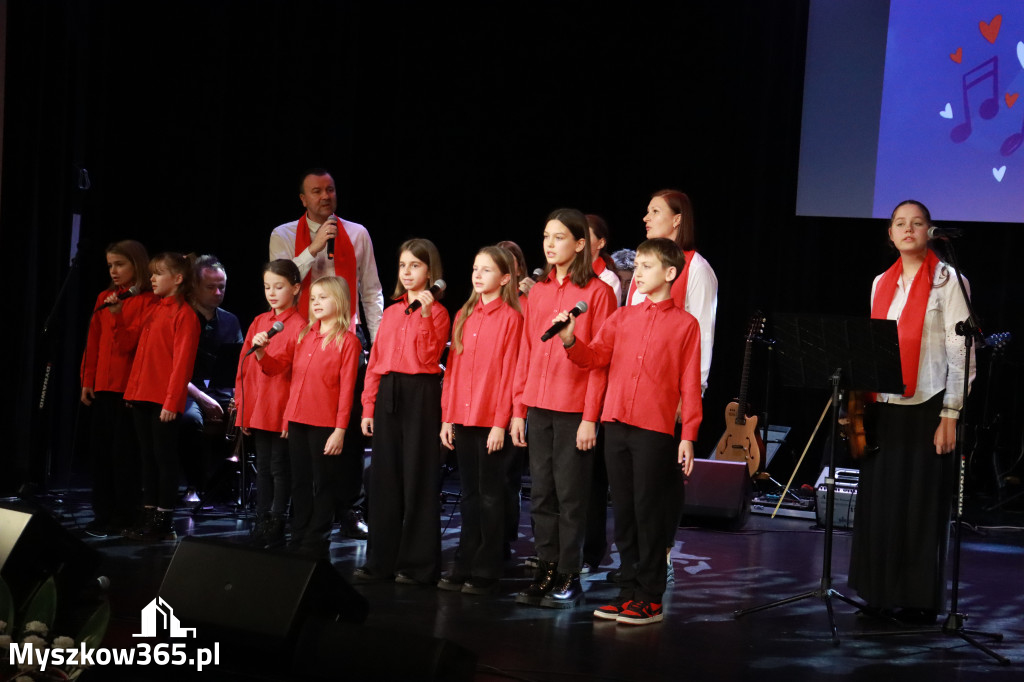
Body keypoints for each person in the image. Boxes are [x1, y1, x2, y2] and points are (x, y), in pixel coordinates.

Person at [554, 238, 701, 625]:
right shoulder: (620, 318)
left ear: (670, 273)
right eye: (636, 265)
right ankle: (629, 590)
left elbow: (689, 384)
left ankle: (650, 596)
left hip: (654, 430)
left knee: (649, 511)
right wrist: (570, 338)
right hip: (616, 424)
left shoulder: (686, 324)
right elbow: (595, 358)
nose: (638, 272)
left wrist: (688, 435)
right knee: (623, 512)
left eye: (647, 266)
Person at [848, 199, 974, 624]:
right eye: (900, 223)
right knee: (881, 503)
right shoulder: (878, 282)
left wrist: (951, 414)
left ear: (930, 231)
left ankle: (918, 599)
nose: (908, 229)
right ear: (890, 233)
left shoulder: (948, 281)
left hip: (929, 404)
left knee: (919, 505)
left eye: (917, 223)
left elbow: (961, 353)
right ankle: (879, 592)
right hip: (884, 404)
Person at [511, 208, 617, 609]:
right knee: (541, 495)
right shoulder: (537, 292)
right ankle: (547, 569)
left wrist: (591, 418)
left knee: (572, 497)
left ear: (580, 244)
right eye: (545, 236)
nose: (550, 244)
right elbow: (525, 352)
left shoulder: (598, 294)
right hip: (538, 405)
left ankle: (570, 573)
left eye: (558, 237)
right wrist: (518, 409)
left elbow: (601, 362)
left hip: (574, 409)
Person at [269, 168, 383, 539]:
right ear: (303, 199)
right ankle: (295, 511)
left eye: (330, 190)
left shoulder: (357, 233)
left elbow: (370, 291)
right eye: (316, 191)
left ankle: (349, 508)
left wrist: (379, 343)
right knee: (301, 430)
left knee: (345, 428)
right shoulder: (284, 234)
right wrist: (314, 249)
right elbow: (282, 281)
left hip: (345, 340)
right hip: (300, 340)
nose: (325, 196)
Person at [356, 239, 450, 585]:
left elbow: (429, 359)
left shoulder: (439, 313)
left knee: (418, 480)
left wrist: (425, 315)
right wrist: (369, 405)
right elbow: (376, 363)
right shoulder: (392, 312)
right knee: (384, 479)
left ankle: (416, 565)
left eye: (415, 265)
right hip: (388, 394)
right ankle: (380, 561)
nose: (408, 272)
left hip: (420, 395)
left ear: (430, 271)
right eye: (402, 265)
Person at [254, 276, 361, 559]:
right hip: (298, 420)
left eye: (323, 297)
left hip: (326, 423)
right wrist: (262, 353)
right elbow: (286, 374)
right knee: (299, 481)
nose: (315, 302)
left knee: (322, 483)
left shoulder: (348, 341)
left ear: (338, 300)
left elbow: (347, 391)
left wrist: (340, 431)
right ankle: (298, 534)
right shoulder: (304, 336)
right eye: (313, 298)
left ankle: (316, 540)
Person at [437, 246, 524, 594]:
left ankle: (487, 567)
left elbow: (510, 374)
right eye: (475, 268)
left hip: (491, 420)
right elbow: (454, 372)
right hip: (463, 416)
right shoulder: (464, 314)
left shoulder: (511, 319)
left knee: (491, 495)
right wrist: (447, 418)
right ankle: (464, 560)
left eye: (486, 270)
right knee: (469, 493)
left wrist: (501, 423)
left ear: (505, 278)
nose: (477, 275)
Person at [121, 253, 201, 542]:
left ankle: (163, 521)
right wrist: (132, 390)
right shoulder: (154, 309)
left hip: (163, 400)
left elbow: (181, 365)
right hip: (143, 395)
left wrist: (171, 401)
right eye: (152, 274)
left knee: (163, 458)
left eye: (158, 273)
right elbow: (141, 354)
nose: (152, 278)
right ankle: (148, 515)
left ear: (177, 278)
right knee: (147, 458)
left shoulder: (185, 315)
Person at [79, 240, 156, 537]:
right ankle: (103, 512)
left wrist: (119, 315)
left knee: (124, 454)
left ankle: (126, 513)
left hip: (128, 389)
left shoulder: (147, 301)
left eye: (120, 264)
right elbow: (93, 343)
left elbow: (135, 347)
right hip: (102, 387)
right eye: (110, 265)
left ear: (136, 264)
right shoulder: (104, 297)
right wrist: (87, 380)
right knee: (100, 453)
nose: (113, 270)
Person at [234, 259, 305, 548]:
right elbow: (243, 367)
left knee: (279, 467)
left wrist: (263, 354)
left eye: (279, 286)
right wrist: (242, 409)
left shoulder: (300, 326)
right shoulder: (259, 322)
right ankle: (262, 518)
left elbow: (284, 370)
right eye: (267, 287)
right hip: (260, 407)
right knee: (262, 467)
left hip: (281, 407)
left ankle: (277, 520)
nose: (272, 293)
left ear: (296, 288)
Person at [629, 190, 716, 393]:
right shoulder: (642, 265)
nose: (646, 218)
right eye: (647, 211)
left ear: (677, 219)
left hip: (667, 385)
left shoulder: (697, 268)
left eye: (655, 211)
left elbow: (703, 335)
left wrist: (693, 391)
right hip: (632, 381)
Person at [180, 255, 243, 498]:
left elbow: (239, 365)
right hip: (187, 389)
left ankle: (225, 485)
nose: (218, 292)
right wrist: (203, 399)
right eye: (210, 287)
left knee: (246, 413)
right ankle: (196, 485)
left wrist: (238, 396)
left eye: (222, 287)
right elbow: (171, 369)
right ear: (194, 287)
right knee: (190, 420)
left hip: (220, 390)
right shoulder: (181, 317)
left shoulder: (230, 320)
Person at [586, 214, 622, 305]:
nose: (580, 241)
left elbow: (608, 317)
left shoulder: (608, 279)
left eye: (586, 237)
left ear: (601, 243)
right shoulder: (566, 272)